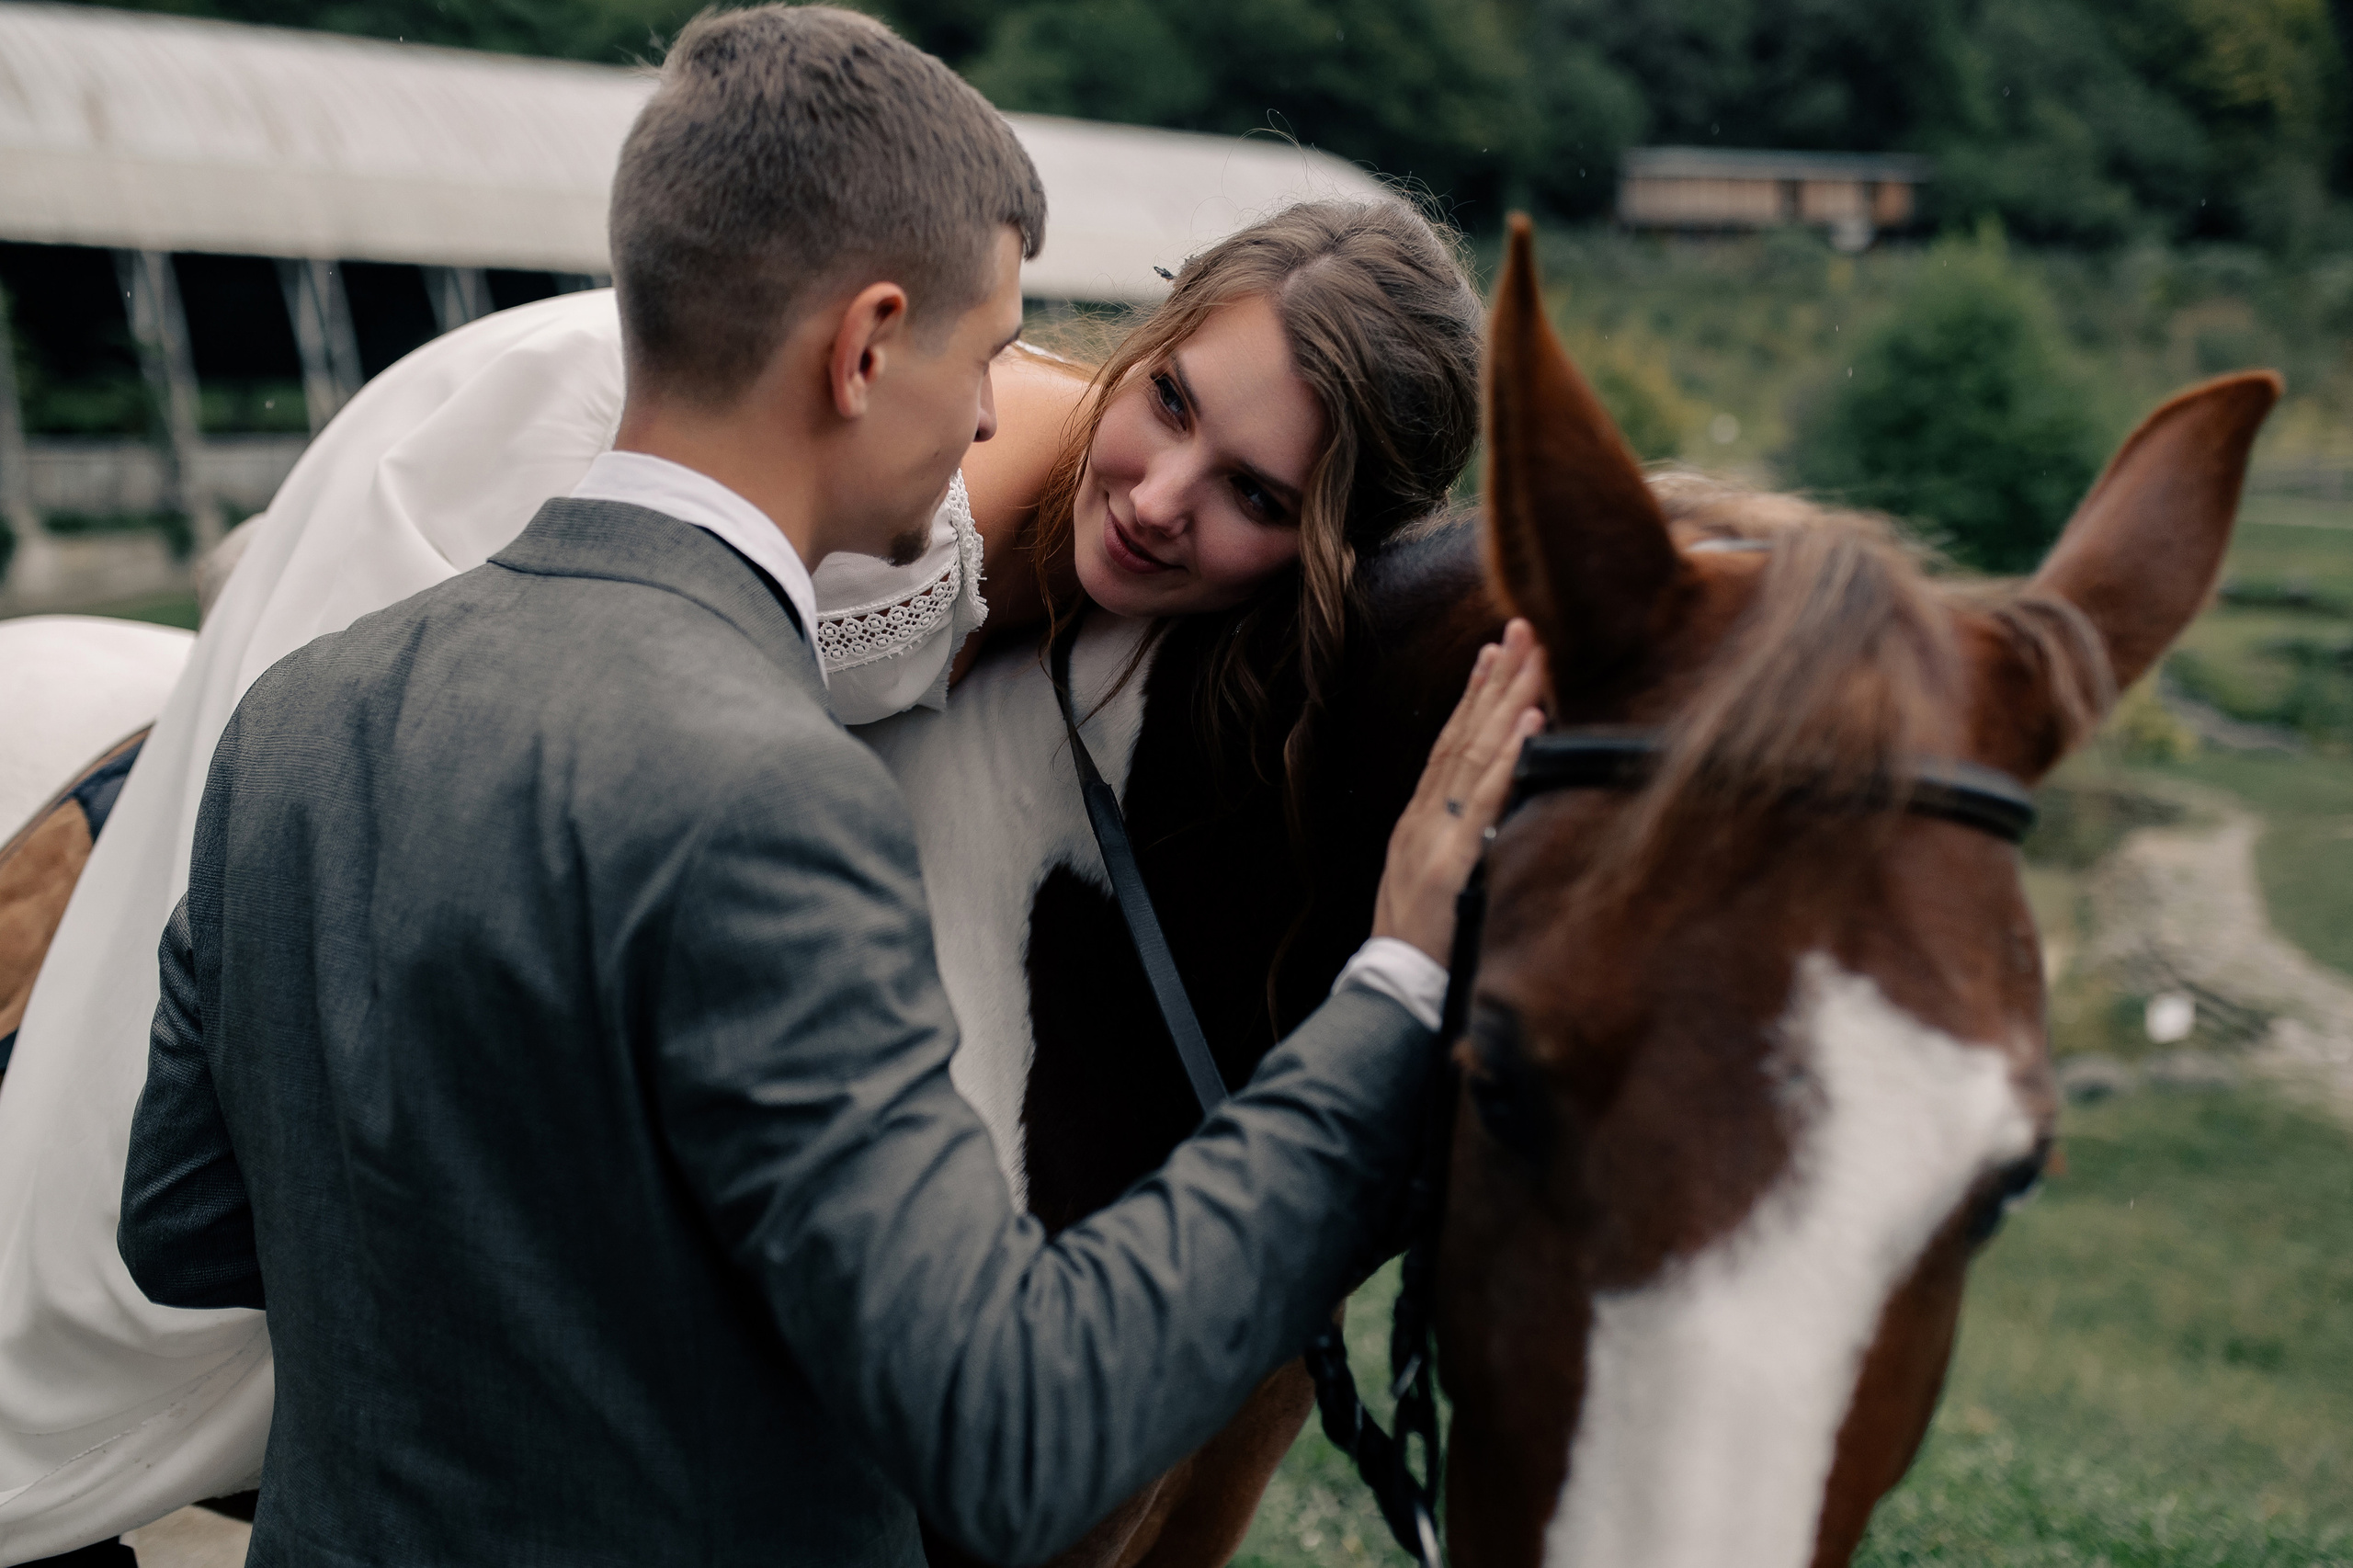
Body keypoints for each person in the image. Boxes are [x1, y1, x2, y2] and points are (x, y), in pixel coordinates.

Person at [100, 8, 1543, 1568]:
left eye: (1255, 492)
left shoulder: (298, 713)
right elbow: (1008, 1435)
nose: (1007, 411)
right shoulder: (783, 802)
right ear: (865, 348)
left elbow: (182, 1222)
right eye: (987, 357)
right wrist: (1390, 989)